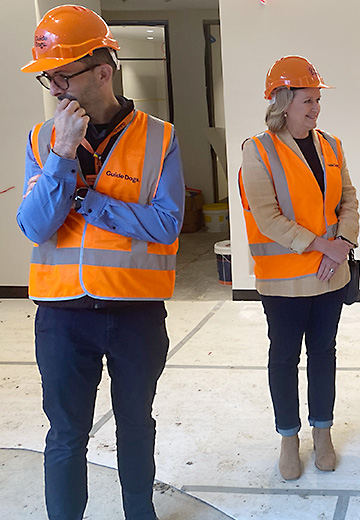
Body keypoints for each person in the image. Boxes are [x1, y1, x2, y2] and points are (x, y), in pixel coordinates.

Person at [16, 5, 184, 520]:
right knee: (66, 433)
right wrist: (63, 158)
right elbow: (35, 226)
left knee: (137, 422)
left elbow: (166, 225)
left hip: (134, 312)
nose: (53, 89)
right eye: (49, 77)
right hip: (62, 316)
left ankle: (140, 513)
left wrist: (90, 202)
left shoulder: (161, 137)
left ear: (102, 72)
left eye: (62, 75)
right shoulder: (43, 141)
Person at [238, 55, 359, 480]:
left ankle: (322, 433)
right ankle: (289, 437)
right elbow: (267, 217)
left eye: (317, 99)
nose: (315, 108)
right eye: (307, 100)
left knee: (323, 353)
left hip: (330, 274)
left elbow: (348, 199)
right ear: (283, 101)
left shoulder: (331, 145)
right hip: (284, 283)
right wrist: (323, 245)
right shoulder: (257, 151)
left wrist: (342, 243)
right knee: (285, 357)